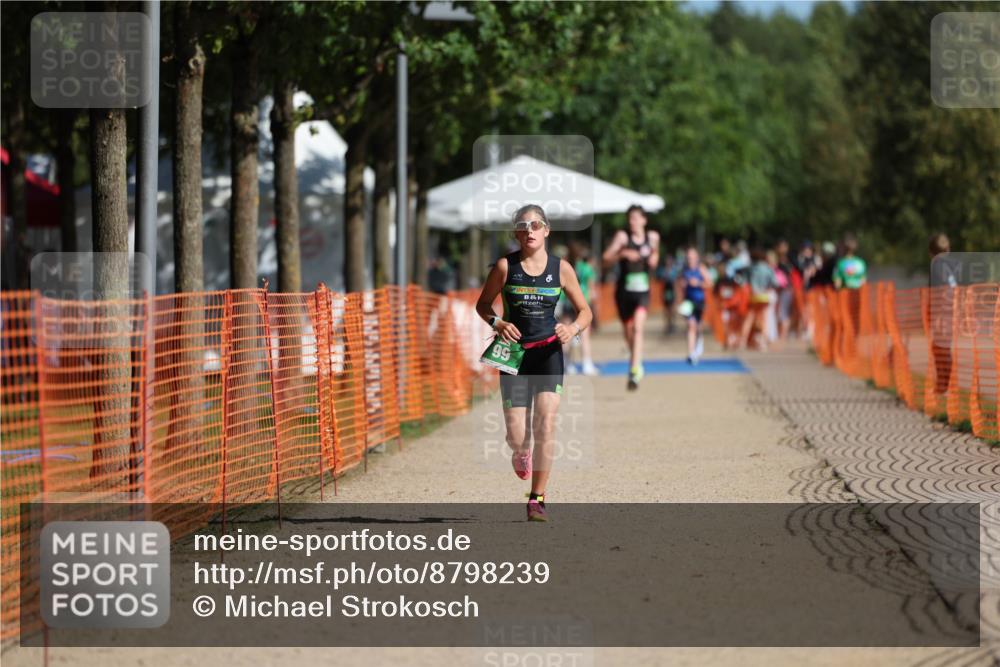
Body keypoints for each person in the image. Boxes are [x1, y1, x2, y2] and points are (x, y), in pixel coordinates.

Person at [476, 205, 592, 522]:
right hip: (514, 355)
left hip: (548, 353)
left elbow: (586, 311)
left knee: (545, 423)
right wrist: (497, 323)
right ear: (516, 232)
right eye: (524, 226)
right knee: (517, 435)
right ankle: (519, 451)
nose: (530, 230)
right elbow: (483, 305)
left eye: (536, 224)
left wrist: (572, 329)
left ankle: (537, 499)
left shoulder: (562, 269)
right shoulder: (504, 267)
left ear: (546, 230)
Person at [602, 205, 660, 390]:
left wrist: (654, 259)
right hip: (623, 292)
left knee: (637, 328)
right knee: (628, 331)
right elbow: (605, 258)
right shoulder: (622, 237)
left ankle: (634, 370)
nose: (632, 222)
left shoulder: (652, 237)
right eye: (630, 219)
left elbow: (655, 254)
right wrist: (623, 254)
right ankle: (636, 359)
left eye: (635, 218)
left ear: (644, 220)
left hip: (642, 291)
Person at [559, 241, 599, 376]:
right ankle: (586, 363)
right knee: (584, 335)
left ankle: (567, 364)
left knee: (566, 334)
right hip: (581, 303)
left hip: (566, 302)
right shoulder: (586, 268)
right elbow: (592, 289)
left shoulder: (565, 267)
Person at [928, 233, 957, 403]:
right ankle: (943, 385)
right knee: (943, 349)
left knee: (940, 350)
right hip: (951, 311)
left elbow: (939, 291)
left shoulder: (937, 265)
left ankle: (942, 386)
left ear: (931, 252)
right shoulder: (952, 265)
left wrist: (936, 314)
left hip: (943, 313)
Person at [677, 246, 713, 364]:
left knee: (697, 327)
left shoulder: (701, 269)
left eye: (692, 257)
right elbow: (680, 285)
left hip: (699, 301)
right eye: (688, 257)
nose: (690, 259)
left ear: (697, 258)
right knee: (690, 325)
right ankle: (691, 353)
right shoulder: (684, 270)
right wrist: (683, 286)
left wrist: (698, 283)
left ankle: (699, 344)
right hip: (688, 302)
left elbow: (710, 283)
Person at [740, 248, 778, 350]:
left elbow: (743, 282)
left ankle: (743, 341)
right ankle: (762, 342)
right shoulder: (768, 268)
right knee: (764, 320)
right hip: (764, 296)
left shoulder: (750, 268)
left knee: (749, 318)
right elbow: (775, 283)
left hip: (753, 295)